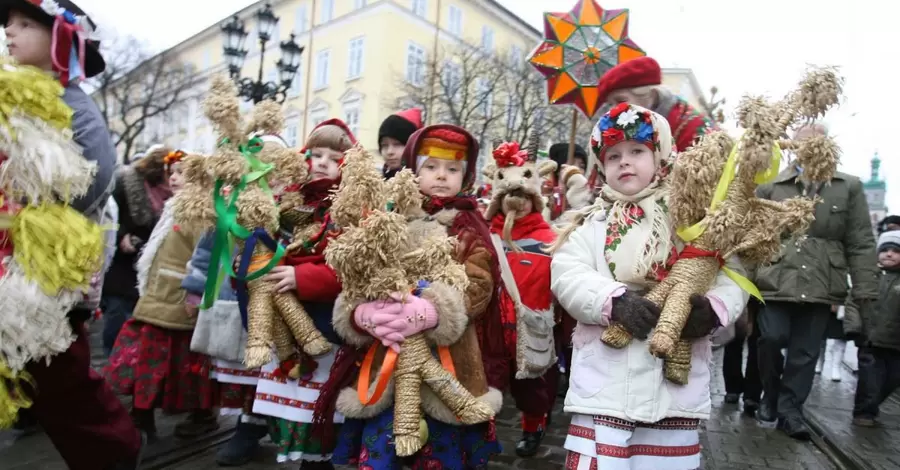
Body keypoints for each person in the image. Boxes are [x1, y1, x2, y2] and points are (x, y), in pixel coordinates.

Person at [550, 104, 747, 470]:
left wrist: (712, 310)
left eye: (637, 152)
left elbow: (730, 273)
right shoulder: (593, 223)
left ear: (662, 157)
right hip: (604, 382)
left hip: (672, 391)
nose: (625, 162)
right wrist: (613, 301)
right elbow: (567, 273)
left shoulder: (694, 219)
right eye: (613, 156)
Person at [1, 0, 144, 468]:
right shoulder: (11, 92)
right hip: (11, 260)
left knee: (60, 379)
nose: (10, 33)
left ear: (61, 38)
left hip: (46, 275)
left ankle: (113, 457)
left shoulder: (72, 101)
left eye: (25, 24)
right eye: (8, 24)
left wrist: (29, 200)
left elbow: (94, 178)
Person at [332, 125, 503, 469]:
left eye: (452, 169)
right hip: (387, 357)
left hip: (448, 360)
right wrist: (361, 314)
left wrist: (434, 309)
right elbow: (356, 277)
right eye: (431, 167)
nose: (442, 176)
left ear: (465, 175)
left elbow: (479, 285)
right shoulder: (387, 219)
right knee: (384, 448)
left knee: (440, 451)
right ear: (412, 169)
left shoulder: (468, 228)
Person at [753, 122, 881, 439]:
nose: (808, 147)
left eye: (815, 141)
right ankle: (770, 393)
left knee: (805, 353)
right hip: (776, 277)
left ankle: (790, 411)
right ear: (791, 147)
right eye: (800, 142)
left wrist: (865, 289)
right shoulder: (772, 185)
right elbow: (753, 236)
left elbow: (861, 241)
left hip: (823, 282)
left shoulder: (848, 186)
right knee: (770, 339)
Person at [250, 119, 356, 468]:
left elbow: (351, 268)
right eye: (316, 153)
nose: (323, 161)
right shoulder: (289, 203)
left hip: (323, 322)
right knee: (288, 405)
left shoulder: (351, 209)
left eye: (334, 156)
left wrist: (302, 276)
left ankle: (317, 460)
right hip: (285, 319)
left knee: (318, 409)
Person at [103, 150, 218, 441]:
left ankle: (183, 414)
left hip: (177, 300)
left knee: (175, 364)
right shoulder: (174, 206)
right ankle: (143, 415)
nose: (175, 178)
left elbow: (205, 258)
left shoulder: (202, 212)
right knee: (150, 359)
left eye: (183, 173)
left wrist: (195, 294)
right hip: (157, 296)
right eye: (173, 173)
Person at [483, 141, 559, 457]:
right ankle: (483, 431)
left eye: (525, 197)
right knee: (488, 381)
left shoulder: (550, 239)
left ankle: (533, 425)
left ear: (534, 200)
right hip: (494, 327)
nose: (518, 204)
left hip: (532, 325)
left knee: (533, 387)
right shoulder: (487, 235)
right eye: (510, 197)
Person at [587, 56, 717, 191]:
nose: (614, 110)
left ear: (648, 94)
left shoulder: (691, 128)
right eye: (610, 104)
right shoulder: (621, 131)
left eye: (620, 101)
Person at [103, 144, 175, 355]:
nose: (172, 178)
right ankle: (111, 362)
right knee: (116, 316)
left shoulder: (172, 195)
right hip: (120, 265)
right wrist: (121, 236)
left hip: (146, 266)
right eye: (169, 172)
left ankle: (127, 366)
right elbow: (108, 217)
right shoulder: (126, 182)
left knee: (136, 321)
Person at [853, 230, 900, 426]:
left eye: (896, 251)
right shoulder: (869, 276)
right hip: (869, 339)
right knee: (869, 379)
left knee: (893, 379)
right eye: (885, 250)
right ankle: (864, 412)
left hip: (895, 342)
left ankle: (871, 403)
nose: (889, 254)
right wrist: (854, 327)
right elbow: (853, 302)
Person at [722, 299, 762, 415]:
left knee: (757, 341)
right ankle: (733, 387)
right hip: (739, 287)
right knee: (735, 336)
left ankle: (752, 394)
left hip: (762, 293)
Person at [545, 143, 590, 221]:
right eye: (571, 163)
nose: (576, 169)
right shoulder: (545, 194)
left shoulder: (587, 197)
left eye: (582, 166)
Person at [378, 108, 422, 179]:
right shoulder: (378, 183)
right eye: (384, 145)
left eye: (397, 144)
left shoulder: (425, 185)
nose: (390, 152)